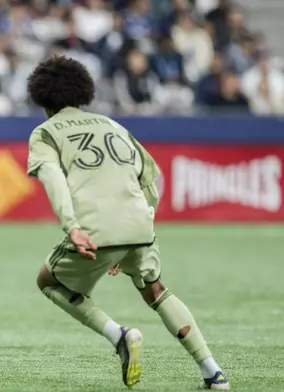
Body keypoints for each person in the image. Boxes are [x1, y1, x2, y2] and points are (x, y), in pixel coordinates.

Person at [26, 55, 230, 390]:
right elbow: (151, 179)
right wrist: (139, 227)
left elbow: (53, 180)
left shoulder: (45, 133)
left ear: (40, 96)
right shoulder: (113, 125)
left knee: (49, 280)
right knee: (156, 289)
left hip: (94, 228)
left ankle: (119, 336)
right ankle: (213, 373)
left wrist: (72, 226)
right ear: (83, 90)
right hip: (139, 224)